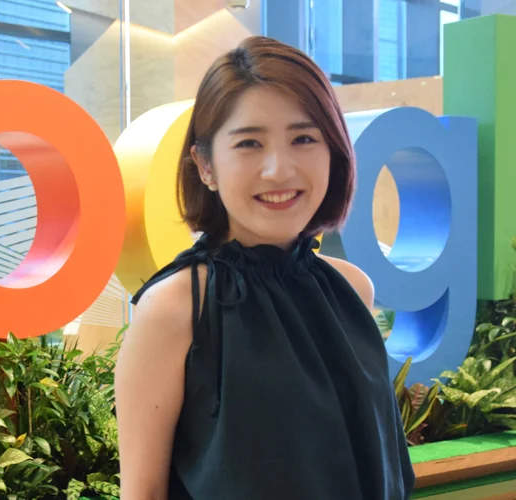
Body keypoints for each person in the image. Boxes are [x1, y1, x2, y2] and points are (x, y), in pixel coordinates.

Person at [115, 37, 414, 499]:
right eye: (249, 143)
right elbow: (144, 494)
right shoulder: (172, 308)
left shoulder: (353, 289)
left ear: (333, 151)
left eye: (304, 139)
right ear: (206, 165)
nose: (279, 169)